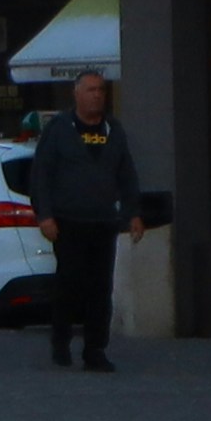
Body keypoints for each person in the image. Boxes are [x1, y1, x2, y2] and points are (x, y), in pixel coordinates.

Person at [28, 72, 143, 373]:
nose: (97, 95)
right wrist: (44, 214)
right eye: (91, 90)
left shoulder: (113, 130)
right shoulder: (59, 130)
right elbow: (42, 174)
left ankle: (95, 350)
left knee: (100, 288)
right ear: (76, 94)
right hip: (68, 221)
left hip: (103, 221)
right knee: (69, 284)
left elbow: (127, 175)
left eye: (101, 90)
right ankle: (61, 341)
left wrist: (133, 212)